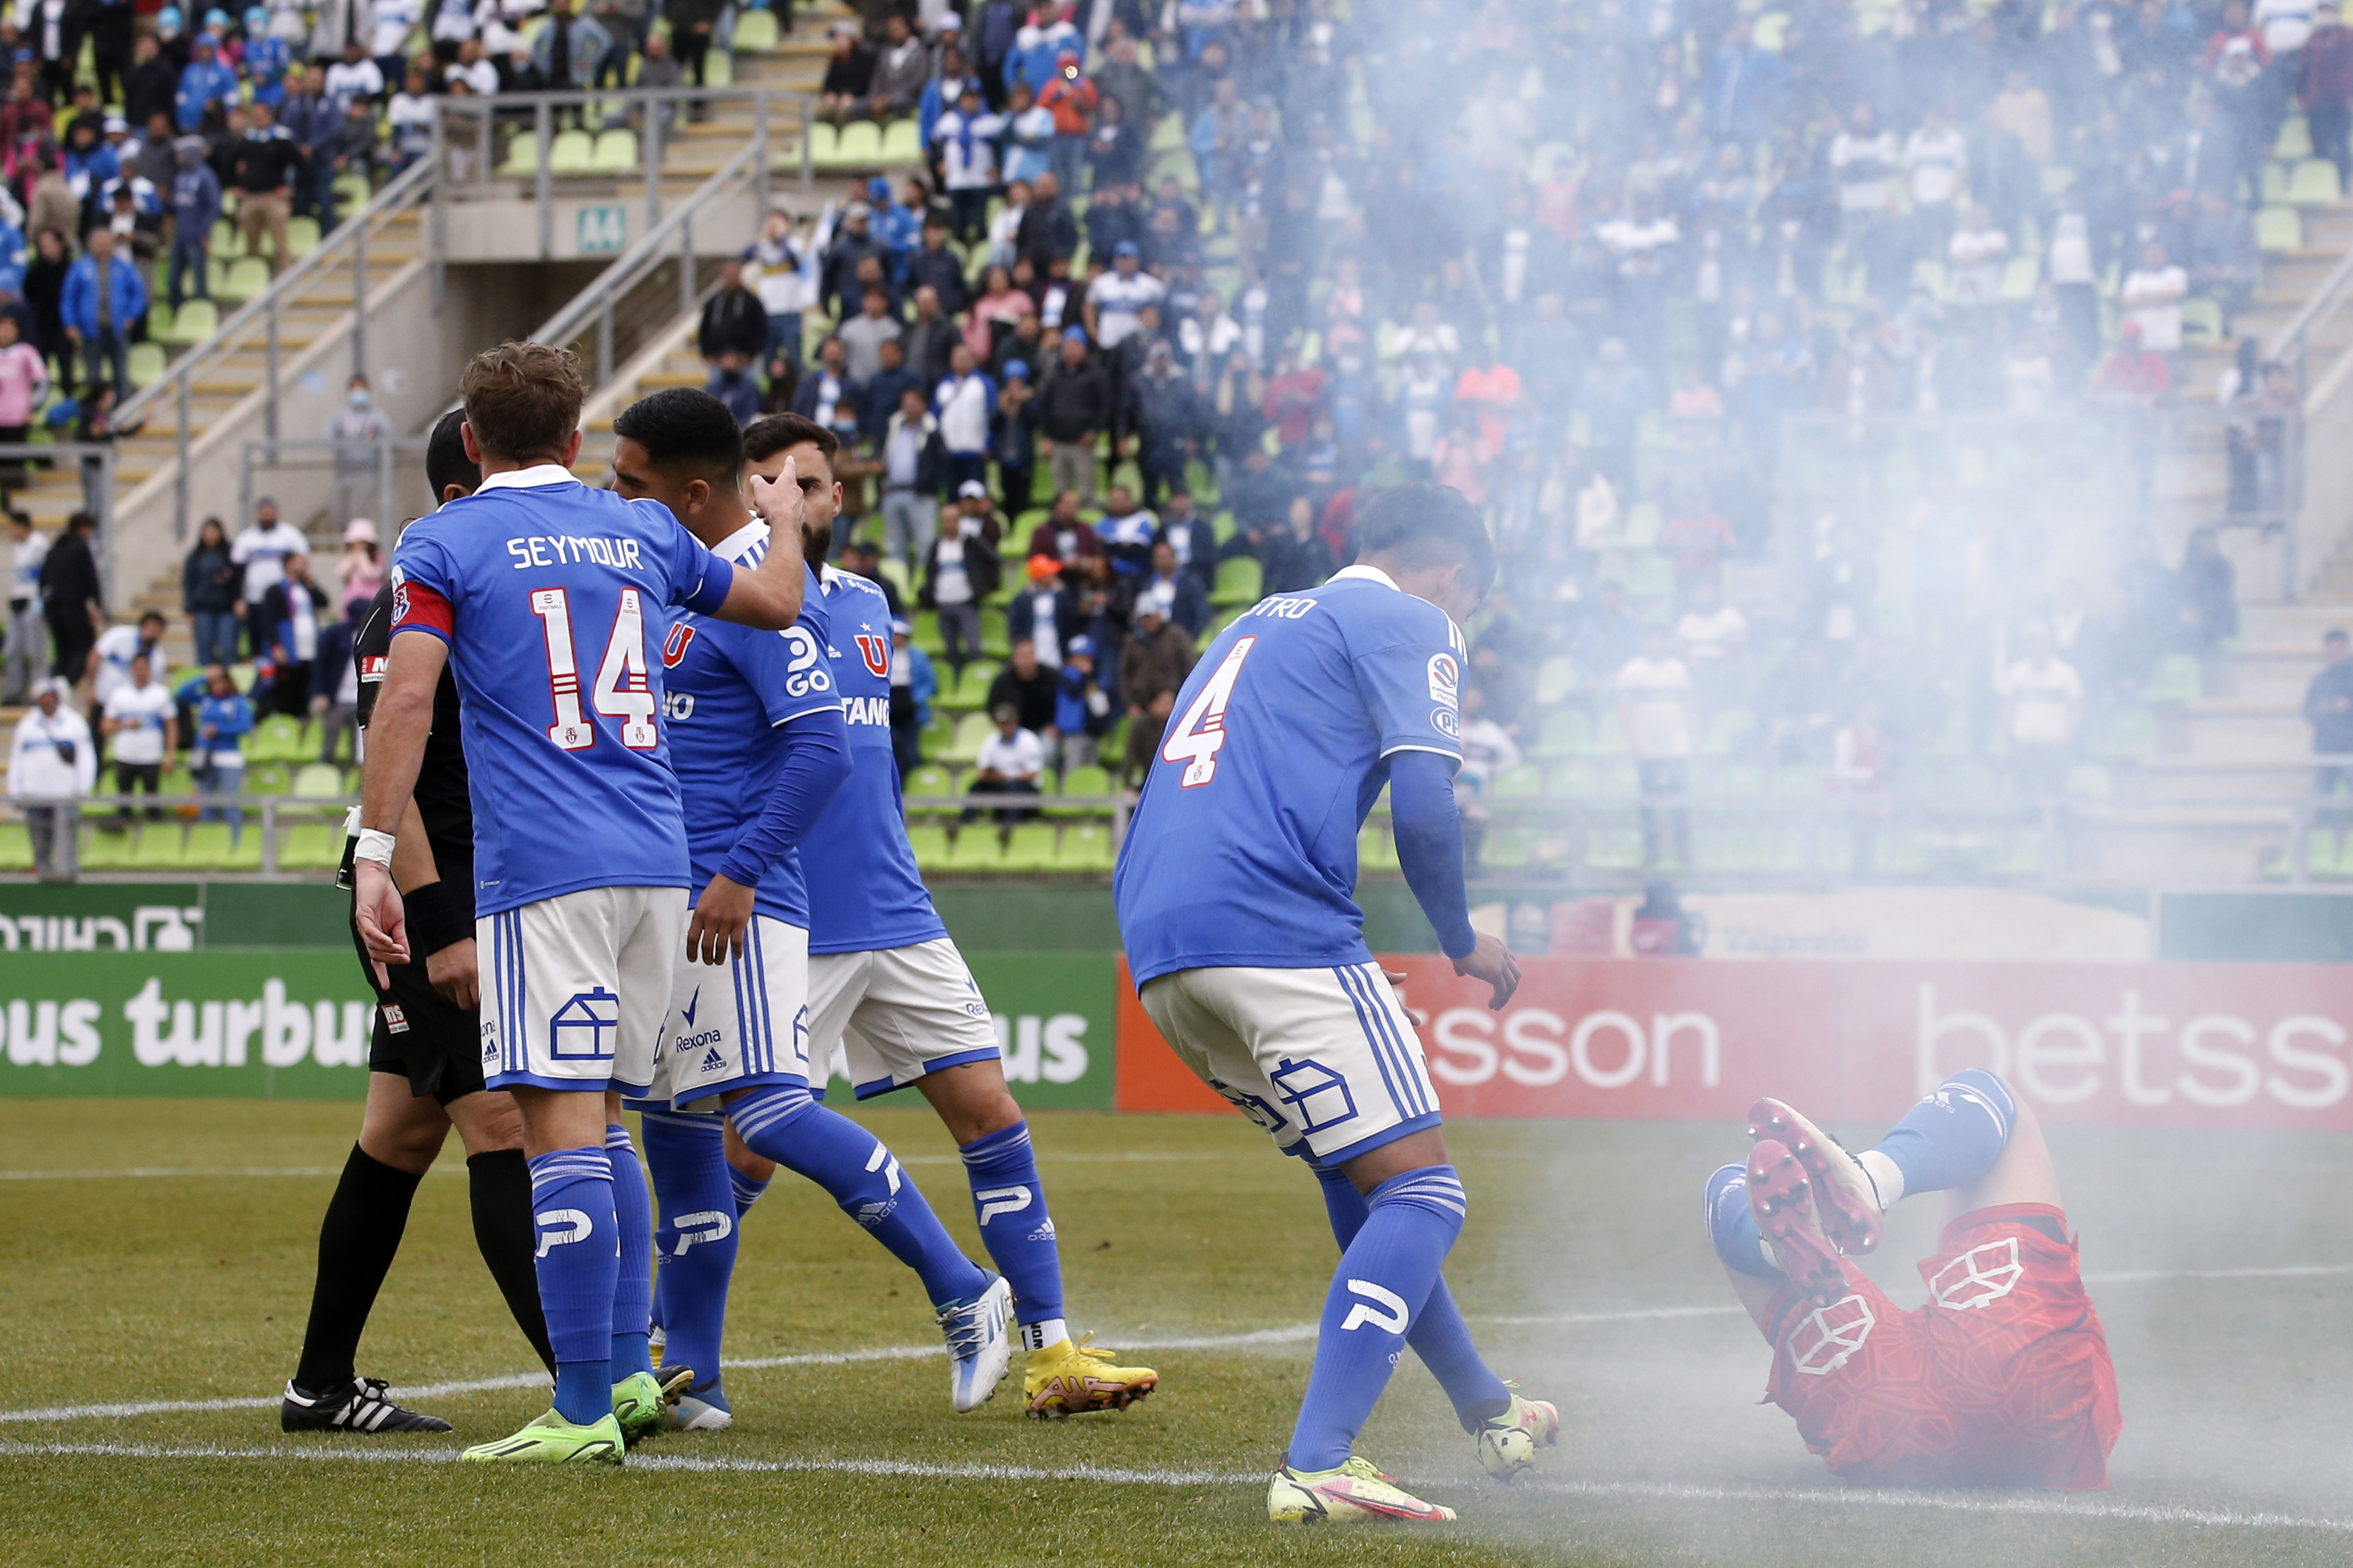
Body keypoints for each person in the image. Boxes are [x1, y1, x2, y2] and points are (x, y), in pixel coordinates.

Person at [350, 339, 809, 1465]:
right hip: (657, 862)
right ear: (575, 441)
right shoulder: (647, 527)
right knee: (607, 1119)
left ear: (469, 439)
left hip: (543, 870)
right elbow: (778, 604)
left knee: (558, 1122)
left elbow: (407, 697)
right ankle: (633, 1378)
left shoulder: (442, 539)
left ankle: (581, 1404)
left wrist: (371, 848)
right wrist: (785, 506)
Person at [681, 411, 1155, 1420]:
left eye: (805, 485)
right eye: (765, 482)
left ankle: (1052, 1347)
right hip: (786, 917)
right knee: (745, 1147)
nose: (785, 500)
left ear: (837, 496)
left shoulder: (868, 605)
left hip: (894, 908)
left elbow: (863, 761)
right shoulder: (739, 599)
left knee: (992, 1115)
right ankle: (684, 1361)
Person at [1113, 483, 1549, 1524]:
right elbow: (1427, 797)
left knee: (1367, 1177)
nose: (1463, 625)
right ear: (1451, 573)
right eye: (1470, 604)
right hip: (1275, 920)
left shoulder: (1251, 621)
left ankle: (1489, 1408)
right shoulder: (1415, 616)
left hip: (1161, 941)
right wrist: (1459, 937)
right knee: (1426, 1193)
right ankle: (1318, 1458)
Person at [605, 391, 1021, 1426]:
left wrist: (741, 869)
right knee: (677, 1132)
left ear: (686, 490)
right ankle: (695, 1377)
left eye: (630, 484)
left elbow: (822, 745)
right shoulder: (681, 577)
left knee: (770, 1110)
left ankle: (963, 1287)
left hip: (731, 901)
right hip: (673, 893)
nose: (618, 501)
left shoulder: (760, 586)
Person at [283, 410, 557, 1437]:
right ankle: (592, 1379)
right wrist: (438, 914)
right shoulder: (418, 600)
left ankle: (318, 1384)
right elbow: (393, 771)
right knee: (506, 1124)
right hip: (427, 900)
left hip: (435, 892)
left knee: (398, 1135)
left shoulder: (437, 592)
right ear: (461, 492)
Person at [1703, 1075, 2119, 1490]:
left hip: (1892, 1418)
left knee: (1727, 1184)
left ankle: (1776, 1247)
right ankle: (1869, 1182)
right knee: (1992, 1094)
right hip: (2038, 1392)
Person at [1617, 624, 1696, 868]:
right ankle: (1652, 852)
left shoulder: (1678, 669)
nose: (1655, 645)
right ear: (1644, 643)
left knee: (1680, 799)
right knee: (1649, 802)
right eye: (1651, 640)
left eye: (1660, 640)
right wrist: (1633, 740)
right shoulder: (1632, 671)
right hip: (1647, 745)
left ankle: (1683, 850)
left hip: (1676, 744)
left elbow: (1689, 705)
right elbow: (1625, 708)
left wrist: (1695, 736)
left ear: (1666, 643)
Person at [9, 678, 93, 874]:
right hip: (35, 794)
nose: (46, 701)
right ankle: (42, 874)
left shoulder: (74, 723)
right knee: (39, 841)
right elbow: (17, 759)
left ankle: (71, 876)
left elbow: (87, 758)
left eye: (48, 696)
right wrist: (16, 790)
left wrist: (83, 787)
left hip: (65, 793)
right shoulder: (27, 725)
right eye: (41, 697)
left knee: (67, 840)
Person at [1116, 582, 1196, 784]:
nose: (1147, 622)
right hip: (1145, 707)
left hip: (1175, 706)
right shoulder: (1133, 642)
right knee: (1139, 744)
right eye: (1143, 618)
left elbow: (1192, 669)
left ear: (1159, 614)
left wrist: (1178, 699)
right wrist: (1131, 704)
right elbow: (1124, 676)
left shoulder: (1176, 637)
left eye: (1150, 616)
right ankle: (1133, 785)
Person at [60, 224, 143, 403]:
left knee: (121, 374)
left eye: (106, 242)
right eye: (99, 243)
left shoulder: (124, 267)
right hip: (91, 332)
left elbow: (138, 295)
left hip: (117, 329)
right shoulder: (80, 267)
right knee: (92, 377)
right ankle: (94, 418)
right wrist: (70, 323)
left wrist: (131, 316)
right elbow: (68, 298)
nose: (103, 247)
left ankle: (123, 413)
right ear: (90, 245)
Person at [919, 495, 999, 678]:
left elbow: (993, 560)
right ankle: (956, 683)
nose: (949, 524)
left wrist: (987, 586)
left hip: (966, 603)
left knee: (974, 647)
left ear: (959, 521)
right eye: (945, 521)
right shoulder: (937, 545)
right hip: (944, 604)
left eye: (952, 520)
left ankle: (978, 679)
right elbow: (930, 573)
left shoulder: (971, 542)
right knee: (951, 650)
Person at [2000, 622, 2082, 800]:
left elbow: (2076, 710)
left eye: (2041, 642)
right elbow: (2007, 709)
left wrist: (2066, 739)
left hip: (2054, 745)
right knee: (2025, 791)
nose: (2037, 647)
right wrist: (2006, 741)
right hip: (2024, 745)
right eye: (2032, 643)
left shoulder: (2066, 674)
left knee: (2056, 792)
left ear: (2049, 644)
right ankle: (2027, 823)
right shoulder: (2016, 673)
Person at [99, 647, 173, 823]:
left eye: (144, 668)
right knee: (124, 806)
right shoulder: (119, 694)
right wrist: (125, 724)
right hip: (125, 755)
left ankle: (154, 843)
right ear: (131, 670)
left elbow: (171, 726)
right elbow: (105, 726)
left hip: (151, 756)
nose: (141, 673)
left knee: (152, 805)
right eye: (137, 668)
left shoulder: (161, 694)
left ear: (150, 671)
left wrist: (170, 754)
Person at [232, 497, 307, 660]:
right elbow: (238, 573)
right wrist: (239, 599)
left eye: (269, 510)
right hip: (255, 598)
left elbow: (302, 563)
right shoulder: (247, 538)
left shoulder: (289, 535)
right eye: (263, 511)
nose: (266, 514)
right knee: (257, 639)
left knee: (282, 635)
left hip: (282, 598)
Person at [39, 508, 100, 684]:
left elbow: (43, 581)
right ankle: (65, 686)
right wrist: (97, 604)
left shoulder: (55, 549)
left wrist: (45, 607)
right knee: (84, 649)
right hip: (74, 608)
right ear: (82, 528)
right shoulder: (81, 548)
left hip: (53, 609)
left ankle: (53, 685)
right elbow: (90, 577)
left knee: (62, 652)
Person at [260, 550, 323, 718]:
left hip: (308, 648)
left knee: (304, 688)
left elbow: (324, 602)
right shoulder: (275, 590)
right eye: (299, 562)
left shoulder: (306, 589)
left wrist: (312, 584)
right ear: (288, 564)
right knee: (287, 688)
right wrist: (275, 645)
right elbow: (268, 620)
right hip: (289, 647)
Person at [192, 661, 252, 835]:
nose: (217, 685)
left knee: (231, 804)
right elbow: (182, 692)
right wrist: (204, 677)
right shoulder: (206, 700)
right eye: (213, 682)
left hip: (228, 757)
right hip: (205, 756)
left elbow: (244, 726)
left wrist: (218, 730)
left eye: (220, 681)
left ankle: (236, 842)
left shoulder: (238, 702)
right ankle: (206, 843)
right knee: (205, 804)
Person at [327, 375, 393, 527]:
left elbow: (387, 439)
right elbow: (329, 438)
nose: (358, 393)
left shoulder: (377, 416)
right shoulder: (341, 416)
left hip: (366, 472)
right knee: (338, 513)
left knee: (359, 514)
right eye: (355, 389)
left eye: (361, 389)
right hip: (343, 472)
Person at [967, 700, 1045, 821]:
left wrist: (1007, 777)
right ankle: (963, 825)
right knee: (975, 788)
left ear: (1015, 722)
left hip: (1025, 786)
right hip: (999, 783)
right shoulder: (991, 740)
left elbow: (1032, 774)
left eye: (1007, 723)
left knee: (1013, 789)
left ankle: (1010, 827)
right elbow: (981, 771)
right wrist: (992, 776)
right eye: (1001, 724)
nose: (1004, 727)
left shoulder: (1029, 740)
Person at [2304, 629, 2353, 810]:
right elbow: (2308, 711)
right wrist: (2322, 708)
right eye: (2330, 650)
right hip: (2326, 749)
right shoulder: (2321, 680)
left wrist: (2348, 706)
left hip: (2350, 750)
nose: (2335, 654)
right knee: (2321, 800)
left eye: (2339, 649)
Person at [6, 512, 47, 702]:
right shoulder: (19, 547)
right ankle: (15, 692)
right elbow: (23, 579)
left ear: (22, 526)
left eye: (12, 527)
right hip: (19, 603)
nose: (9, 531)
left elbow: (45, 576)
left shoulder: (39, 544)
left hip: (34, 604)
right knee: (13, 650)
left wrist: (42, 603)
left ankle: (40, 692)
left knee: (36, 651)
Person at [90, 607, 167, 707]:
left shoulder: (159, 659)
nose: (154, 633)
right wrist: (92, 688)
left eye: (158, 630)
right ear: (143, 626)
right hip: (102, 698)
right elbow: (95, 656)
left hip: (127, 708)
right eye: (151, 628)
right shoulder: (119, 635)